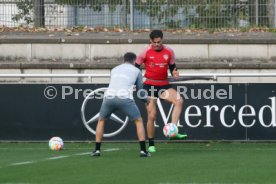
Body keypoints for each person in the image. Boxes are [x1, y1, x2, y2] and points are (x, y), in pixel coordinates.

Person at [135, 30, 187, 153]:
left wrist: (174, 72)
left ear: (162, 40)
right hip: (149, 86)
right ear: (150, 41)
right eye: (155, 42)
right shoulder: (145, 52)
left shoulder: (169, 51)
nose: (157, 44)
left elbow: (172, 66)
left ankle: (173, 131)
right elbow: (135, 68)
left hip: (163, 85)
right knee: (152, 116)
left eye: (159, 42)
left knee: (179, 100)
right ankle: (151, 144)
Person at [92, 52, 150, 157]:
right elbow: (140, 92)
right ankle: (143, 151)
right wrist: (146, 99)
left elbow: (117, 83)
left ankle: (97, 150)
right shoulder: (137, 71)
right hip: (124, 98)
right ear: (134, 61)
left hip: (109, 97)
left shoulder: (114, 69)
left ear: (123, 60)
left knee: (101, 120)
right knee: (139, 121)